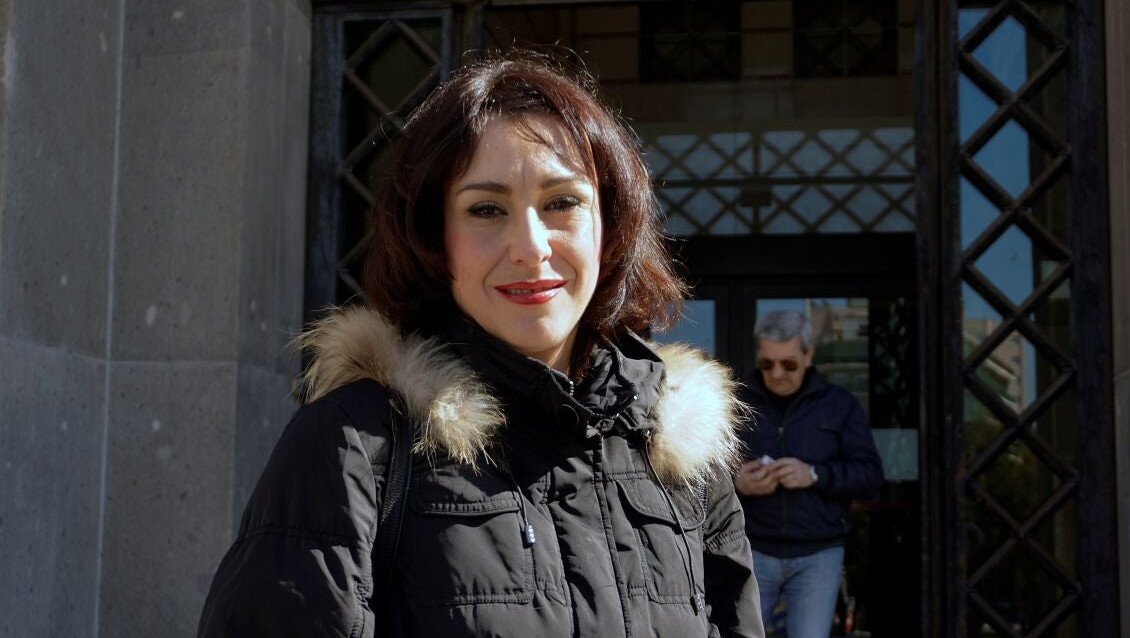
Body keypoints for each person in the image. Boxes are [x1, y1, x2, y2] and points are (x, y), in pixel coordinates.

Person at [198, 54, 763, 637]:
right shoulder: (355, 444)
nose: (531, 247)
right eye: (486, 209)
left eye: (562, 203)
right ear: (434, 238)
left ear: (610, 223)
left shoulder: (681, 458)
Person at [733, 310, 883, 638]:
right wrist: (736, 483)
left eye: (788, 364)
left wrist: (814, 475)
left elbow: (870, 476)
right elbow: (700, 473)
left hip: (818, 554)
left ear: (809, 355)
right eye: (767, 363)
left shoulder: (839, 405)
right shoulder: (736, 403)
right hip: (751, 549)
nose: (777, 373)